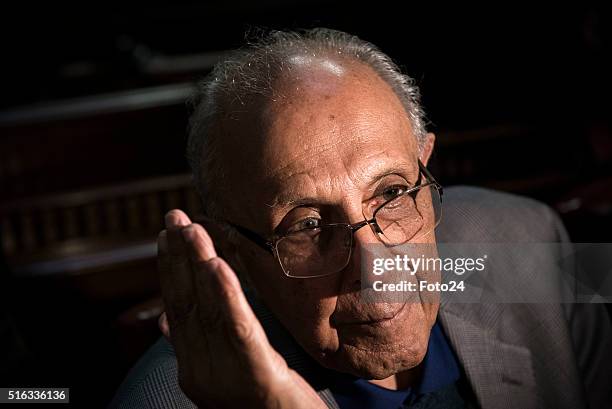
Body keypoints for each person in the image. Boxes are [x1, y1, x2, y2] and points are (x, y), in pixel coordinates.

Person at [110, 28, 612, 409]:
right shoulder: (162, 401)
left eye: (392, 193)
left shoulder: (531, 242)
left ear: (425, 163)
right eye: (307, 225)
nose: (375, 271)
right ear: (234, 248)